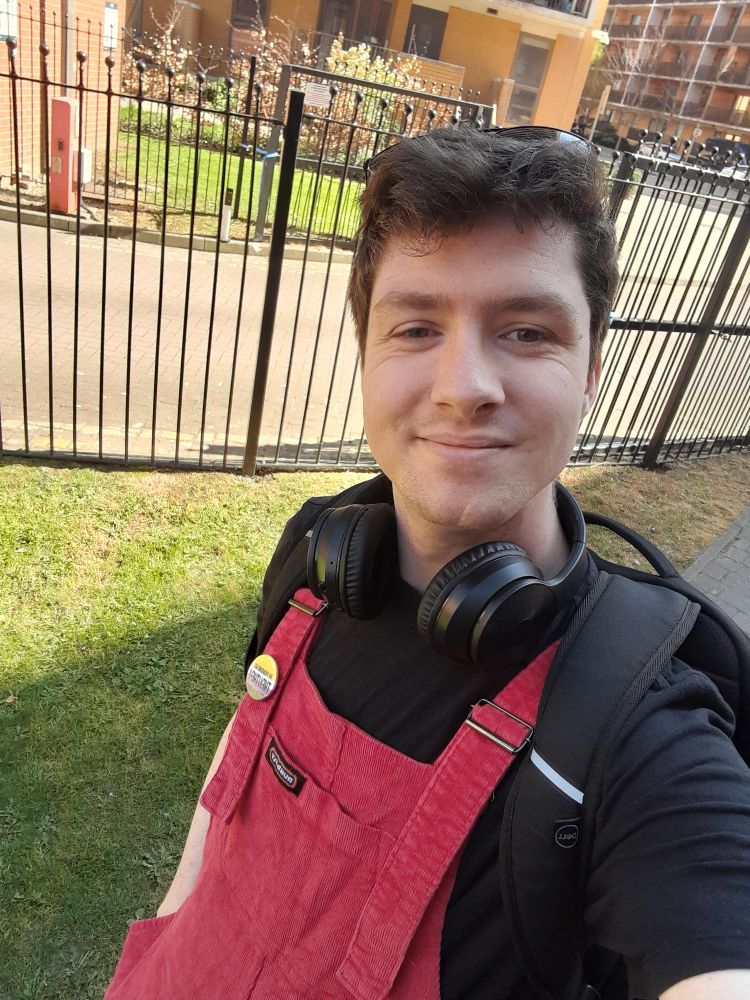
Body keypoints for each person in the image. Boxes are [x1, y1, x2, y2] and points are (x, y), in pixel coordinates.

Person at [104, 127, 750, 1000]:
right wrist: (174, 921)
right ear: (366, 353)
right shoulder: (320, 556)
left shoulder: (639, 732)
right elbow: (242, 755)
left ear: (593, 365)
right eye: (415, 326)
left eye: (525, 330)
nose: (462, 384)